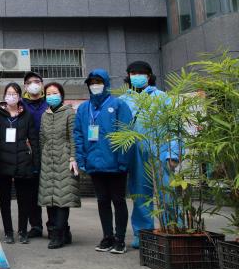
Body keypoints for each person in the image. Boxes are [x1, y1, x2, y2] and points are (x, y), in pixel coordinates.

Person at [120, 60, 180, 249]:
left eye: (141, 73)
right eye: (133, 73)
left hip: (161, 151)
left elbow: (174, 126)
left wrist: (173, 153)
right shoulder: (123, 100)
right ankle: (143, 234)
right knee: (140, 194)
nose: (137, 76)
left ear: (149, 76)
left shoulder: (162, 97)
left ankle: (173, 229)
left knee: (167, 193)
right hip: (135, 153)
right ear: (128, 76)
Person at [74, 69, 133, 254]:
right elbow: (78, 135)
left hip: (115, 164)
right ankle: (107, 237)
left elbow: (126, 134)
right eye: (91, 83)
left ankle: (120, 239)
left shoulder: (118, 105)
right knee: (102, 201)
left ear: (106, 83)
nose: (95, 85)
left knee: (118, 201)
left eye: (98, 82)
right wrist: (82, 159)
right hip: (94, 163)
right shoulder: (84, 108)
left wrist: (123, 161)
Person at [0, 83, 39, 244]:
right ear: (4, 95)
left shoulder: (27, 115)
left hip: (23, 162)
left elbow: (33, 140)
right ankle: (8, 232)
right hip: (2, 162)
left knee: (23, 200)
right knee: (4, 200)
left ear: (19, 96)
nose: (11, 96)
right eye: (8, 93)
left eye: (14, 93)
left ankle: (22, 231)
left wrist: (35, 163)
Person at [38, 82, 79, 249]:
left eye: (54, 93)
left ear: (61, 95)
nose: (51, 96)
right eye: (48, 94)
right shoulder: (44, 115)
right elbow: (42, 138)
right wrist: (43, 157)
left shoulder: (69, 113)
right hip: (48, 161)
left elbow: (74, 137)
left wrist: (73, 157)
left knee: (63, 198)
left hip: (65, 160)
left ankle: (58, 234)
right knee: (50, 199)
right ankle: (63, 232)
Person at [22, 71, 48, 238]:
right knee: (31, 192)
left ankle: (54, 226)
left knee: (50, 190)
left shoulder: (49, 102)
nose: (34, 84)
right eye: (30, 82)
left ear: (42, 84)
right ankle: (36, 226)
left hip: (48, 151)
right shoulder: (21, 104)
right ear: (25, 86)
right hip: (29, 153)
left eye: (37, 81)